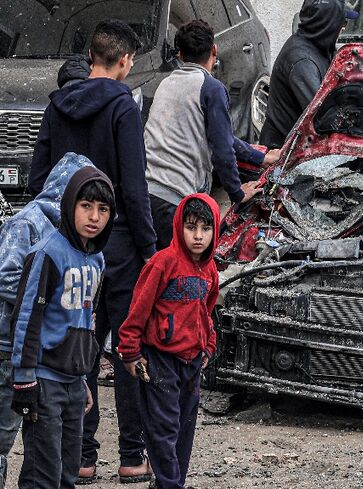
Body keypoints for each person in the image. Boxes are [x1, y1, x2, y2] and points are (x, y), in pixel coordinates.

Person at [27, 19, 156, 483]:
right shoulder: (124, 106)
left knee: (74, 344)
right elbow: (135, 187)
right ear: (124, 61)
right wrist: (148, 247)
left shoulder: (57, 105)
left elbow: (38, 178)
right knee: (125, 345)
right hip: (117, 244)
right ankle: (131, 454)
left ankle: (82, 455)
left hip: (65, 242)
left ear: (89, 56)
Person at [10, 166, 113, 489]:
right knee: (44, 471)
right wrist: (24, 378)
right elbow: (25, 317)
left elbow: (84, 324)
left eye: (103, 209)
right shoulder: (47, 254)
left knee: (70, 468)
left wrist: (83, 379)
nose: (94, 216)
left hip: (72, 382)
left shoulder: (97, 260)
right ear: (69, 205)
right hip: (43, 380)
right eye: (86, 206)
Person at [144, 19, 276, 250]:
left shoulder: (166, 83)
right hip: (175, 199)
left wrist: (260, 157)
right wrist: (236, 193)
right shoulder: (211, 88)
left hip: (146, 194)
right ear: (214, 50)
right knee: (182, 278)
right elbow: (222, 150)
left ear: (180, 55)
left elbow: (220, 137)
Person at [118, 194, 220, 489]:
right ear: (179, 227)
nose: (198, 236)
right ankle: (170, 483)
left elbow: (207, 311)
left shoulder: (210, 269)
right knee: (163, 427)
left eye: (205, 228)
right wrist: (130, 352)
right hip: (160, 358)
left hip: (191, 361)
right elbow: (138, 309)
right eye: (191, 227)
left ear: (215, 231)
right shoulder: (163, 263)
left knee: (184, 428)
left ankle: (171, 481)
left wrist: (208, 346)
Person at [258, 0, 355, 149]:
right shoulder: (302, 61)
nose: (343, 29)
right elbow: (323, 115)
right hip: (281, 151)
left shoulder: (319, 48)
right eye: (342, 22)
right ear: (327, 25)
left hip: (299, 144)